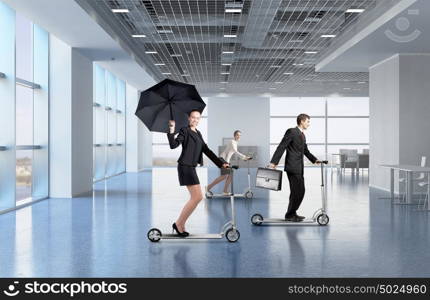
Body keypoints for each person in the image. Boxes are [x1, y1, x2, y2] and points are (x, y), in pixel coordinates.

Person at [167, 110, 229, 236]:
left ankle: (180, 224)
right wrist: (171, 129)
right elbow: (173, 145)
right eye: (193, 117)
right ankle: (178, 224)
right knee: (197, 197)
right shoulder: (185, 130)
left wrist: (221, 163)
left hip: (191, 167)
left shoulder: (198, 133)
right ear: (189, 118)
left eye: (198, 118)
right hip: (185, 166)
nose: (195, 120)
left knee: (197, 197)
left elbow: (206, 150)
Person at [269, 113, 322, 222]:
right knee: (297, 191)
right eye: (308, 121)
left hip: (299, 167)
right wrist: (274, 162)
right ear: (302, 121)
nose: (309, 124)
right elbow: (282, 146)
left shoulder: (302, 135)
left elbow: (305, 151)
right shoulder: (292, 131)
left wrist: (314, 160)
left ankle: (292, 213)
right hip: (292, 167)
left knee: (300, 191)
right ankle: (289, 215)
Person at [205, 130, 251, 196]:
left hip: (226, 161)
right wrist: (244, 157)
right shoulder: (232, 141)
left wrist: (244, 158)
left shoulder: (235, 143)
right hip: (222, 160)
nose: (239, 136)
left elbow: (233, 152)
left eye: (240, 135)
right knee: (224, 176)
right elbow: (235, 151)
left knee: (230, 175)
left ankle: (225, 191)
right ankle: (208, 187)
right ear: (234, 135)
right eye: (237, 135)